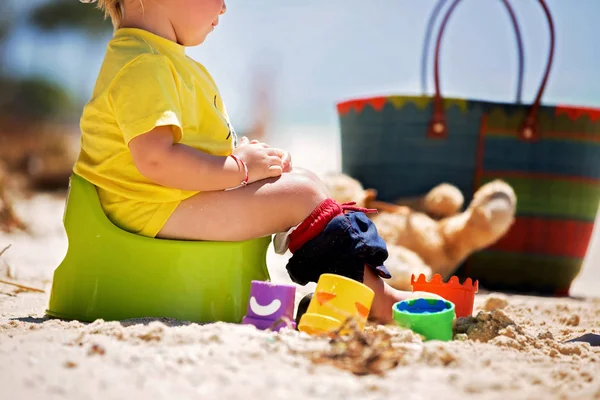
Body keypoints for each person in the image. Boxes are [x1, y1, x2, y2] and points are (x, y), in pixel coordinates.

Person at [75, 0, 409, 323]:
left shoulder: (158, 58)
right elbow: (157, 161)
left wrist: (250, 162)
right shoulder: (145, 65)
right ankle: (378, 300)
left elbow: (185, 149)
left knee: (303, 181)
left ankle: (347, 290)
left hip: (160, 203)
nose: (224, 8)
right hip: (148, 210)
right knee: (300, 196)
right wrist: (240, 169)